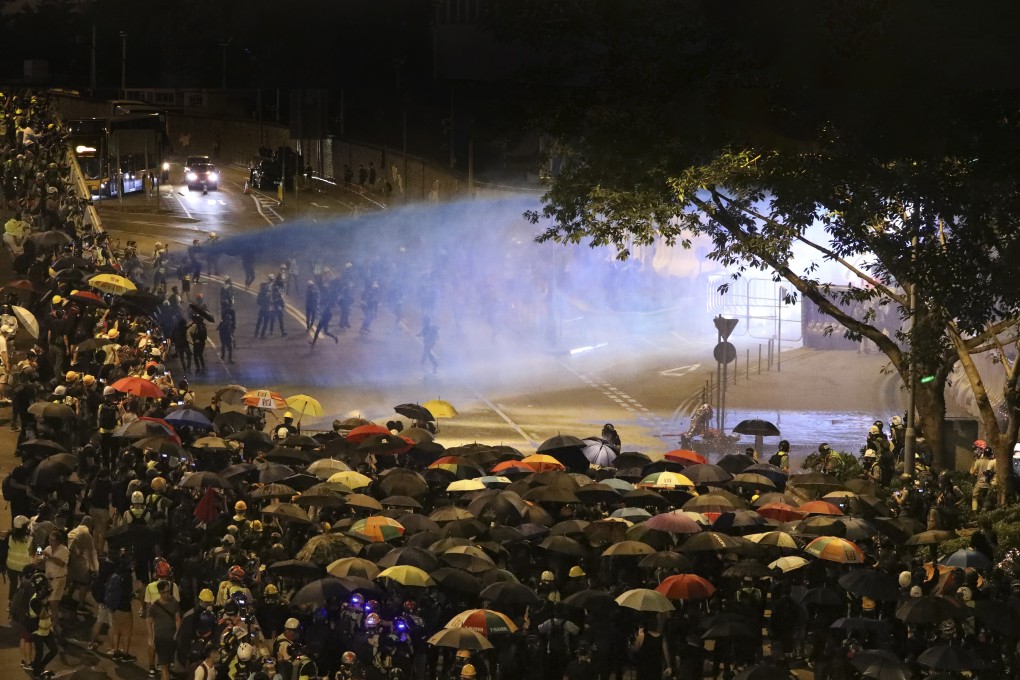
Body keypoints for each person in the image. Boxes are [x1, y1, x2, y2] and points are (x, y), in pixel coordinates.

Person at [147, 580, 181, 680]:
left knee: (166, 666)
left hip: (172, 639)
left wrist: (176, 633)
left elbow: (178, 619)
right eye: (164, 592)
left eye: (168, 591)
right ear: (159, 592)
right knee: (164, 667)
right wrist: (150, 637)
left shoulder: (174, 603)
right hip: (160, 639)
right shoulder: (154, 607)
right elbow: (149, 622)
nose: (166, 594)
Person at [28, 572, 57, 679]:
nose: (48, 586)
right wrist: (44, 602)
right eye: (45, 584)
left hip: (47, 629)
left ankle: (40, 666)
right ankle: (36, 672)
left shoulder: (41, 596)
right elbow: (43, 615)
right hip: (38, 632)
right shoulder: (35, 600)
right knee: (39, 653)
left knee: (54, 650)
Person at [970, 440, 996, 511]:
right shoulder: (992, 461)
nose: (974, 451)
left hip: (980, 483)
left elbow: (972, 472)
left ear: (981, 450)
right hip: (989, 483)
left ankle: (975, 512)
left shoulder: (978, 461)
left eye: (976, 449)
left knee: (975, 497)